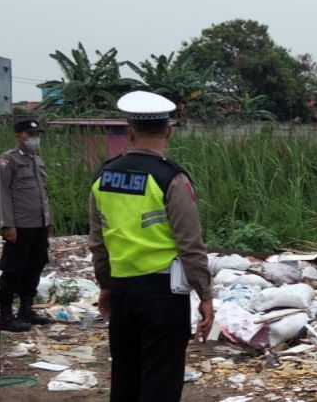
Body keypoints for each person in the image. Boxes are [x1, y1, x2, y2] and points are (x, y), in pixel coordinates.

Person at [89, 90, 214, 402]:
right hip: (163, 293)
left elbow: (98, 240)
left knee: (125, 376)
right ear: (168, 130)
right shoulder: (171, 178)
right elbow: (190, 244)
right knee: (161, 378)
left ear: (130, 131)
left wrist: (105, 286)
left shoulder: (104, 176)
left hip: (122, 291)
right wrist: (205, 295)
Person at [0, 118, 53, 332]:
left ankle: (26, 309)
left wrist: (48, 221)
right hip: (20, 225)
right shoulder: (8, 161)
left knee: (34, 266)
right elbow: (3, 194)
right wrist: (7, 225)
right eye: (30, 134)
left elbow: (42, 194)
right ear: (18, 135)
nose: (34, 139)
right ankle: (6, 314)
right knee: (12, 269)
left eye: (36, 135)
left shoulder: (37, 161)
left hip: (39, 224)